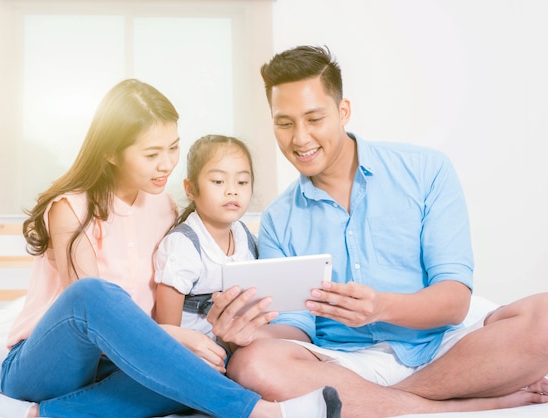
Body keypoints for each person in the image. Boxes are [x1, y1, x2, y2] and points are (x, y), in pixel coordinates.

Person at [0, 78, 342, 418]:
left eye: (174, 148)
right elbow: (91, 312)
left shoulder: (165, 206)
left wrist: (204, 337)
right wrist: (176, 338)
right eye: (151, 155)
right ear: (112, 153)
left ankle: (32, 416)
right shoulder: (71, 209)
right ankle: (263, 414)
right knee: (94, 295)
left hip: (119, 365)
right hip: (49, 364)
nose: (167, 165)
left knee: (203, 369)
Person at [206, 45, 548, 417]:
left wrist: (381, 306)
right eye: (284, 123)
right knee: (249, 365)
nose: (300, 138)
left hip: (440, 349)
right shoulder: (278, 219)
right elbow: (296, 328)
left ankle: (375, 403)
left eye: (314, 119)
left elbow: (454, 302)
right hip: (344, 363)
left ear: (343, 111)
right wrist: (239, 335)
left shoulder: (426, 170)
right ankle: (450, 404)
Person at [154, 134, 258, 370]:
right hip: (191, 355)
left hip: (233, 347)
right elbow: (168, 331)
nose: (232, 191)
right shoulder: (183, 245)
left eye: (242, 182)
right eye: (218, 182)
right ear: (191, 189)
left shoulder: (246, 237)